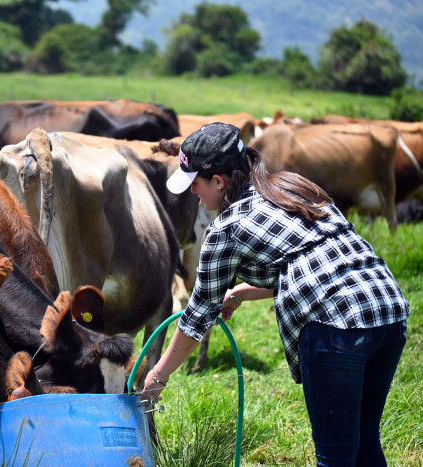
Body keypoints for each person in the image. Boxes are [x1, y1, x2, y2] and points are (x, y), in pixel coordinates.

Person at [142, 122, 409, 466]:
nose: (193, 193)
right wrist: (242, 293)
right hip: (386, 308)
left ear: (219, 182)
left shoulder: (225, 229)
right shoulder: (292, 188)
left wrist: (157, 376)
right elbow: (317, 258)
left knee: (336, 456)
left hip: (337, 327)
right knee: (365, 442)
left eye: (195, 184)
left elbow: (197, 318)